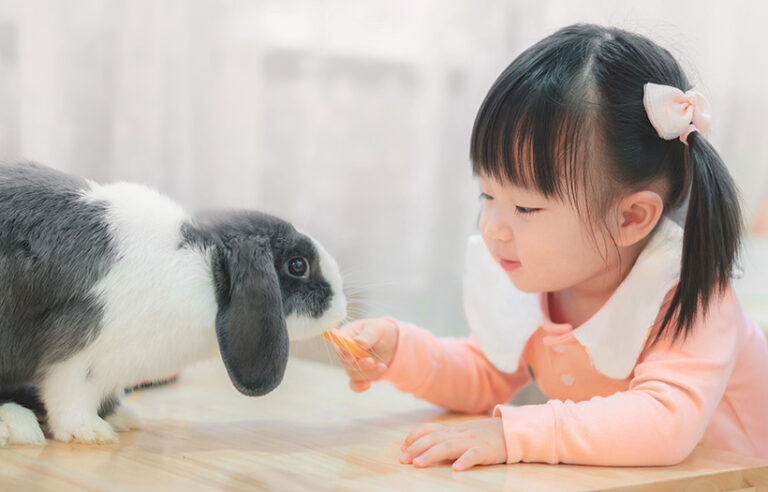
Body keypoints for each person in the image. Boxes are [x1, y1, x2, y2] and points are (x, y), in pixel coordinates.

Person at [332, 23, 768, 471]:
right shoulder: (543, 275)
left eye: (524, 207)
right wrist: (400, 350)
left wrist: (513, 433)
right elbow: (487, 371)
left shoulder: (689, 291)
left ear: (630, 218)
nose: (493, 228)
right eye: (487, 195)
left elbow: (664, 422)